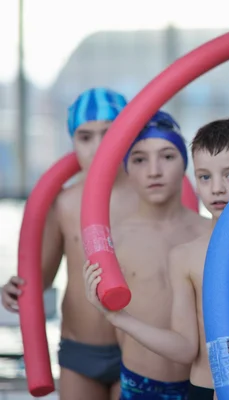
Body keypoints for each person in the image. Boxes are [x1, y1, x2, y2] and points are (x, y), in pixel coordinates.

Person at [85, 118, 229, 399]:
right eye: (205, 177)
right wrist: (117, 317)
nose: (217, 188)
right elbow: (185, 347)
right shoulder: (185, 256)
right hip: (204, 391)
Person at [1, 88, 137, 400]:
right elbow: (41, 277)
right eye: (85, 137)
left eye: (109, 133)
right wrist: (14, 288)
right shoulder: (62, 203)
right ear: (72, 142)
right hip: (80, 347)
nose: (99, 145)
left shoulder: (150, 196)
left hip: (140, 345)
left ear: (129, 135)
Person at [83, 110, 210, 399]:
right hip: (139, 384)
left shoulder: (210, 233)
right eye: (140, 159)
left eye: (167, 156)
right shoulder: (113, 240)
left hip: (201, 384)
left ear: (185, 165)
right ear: (126, 168)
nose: (154, 170)